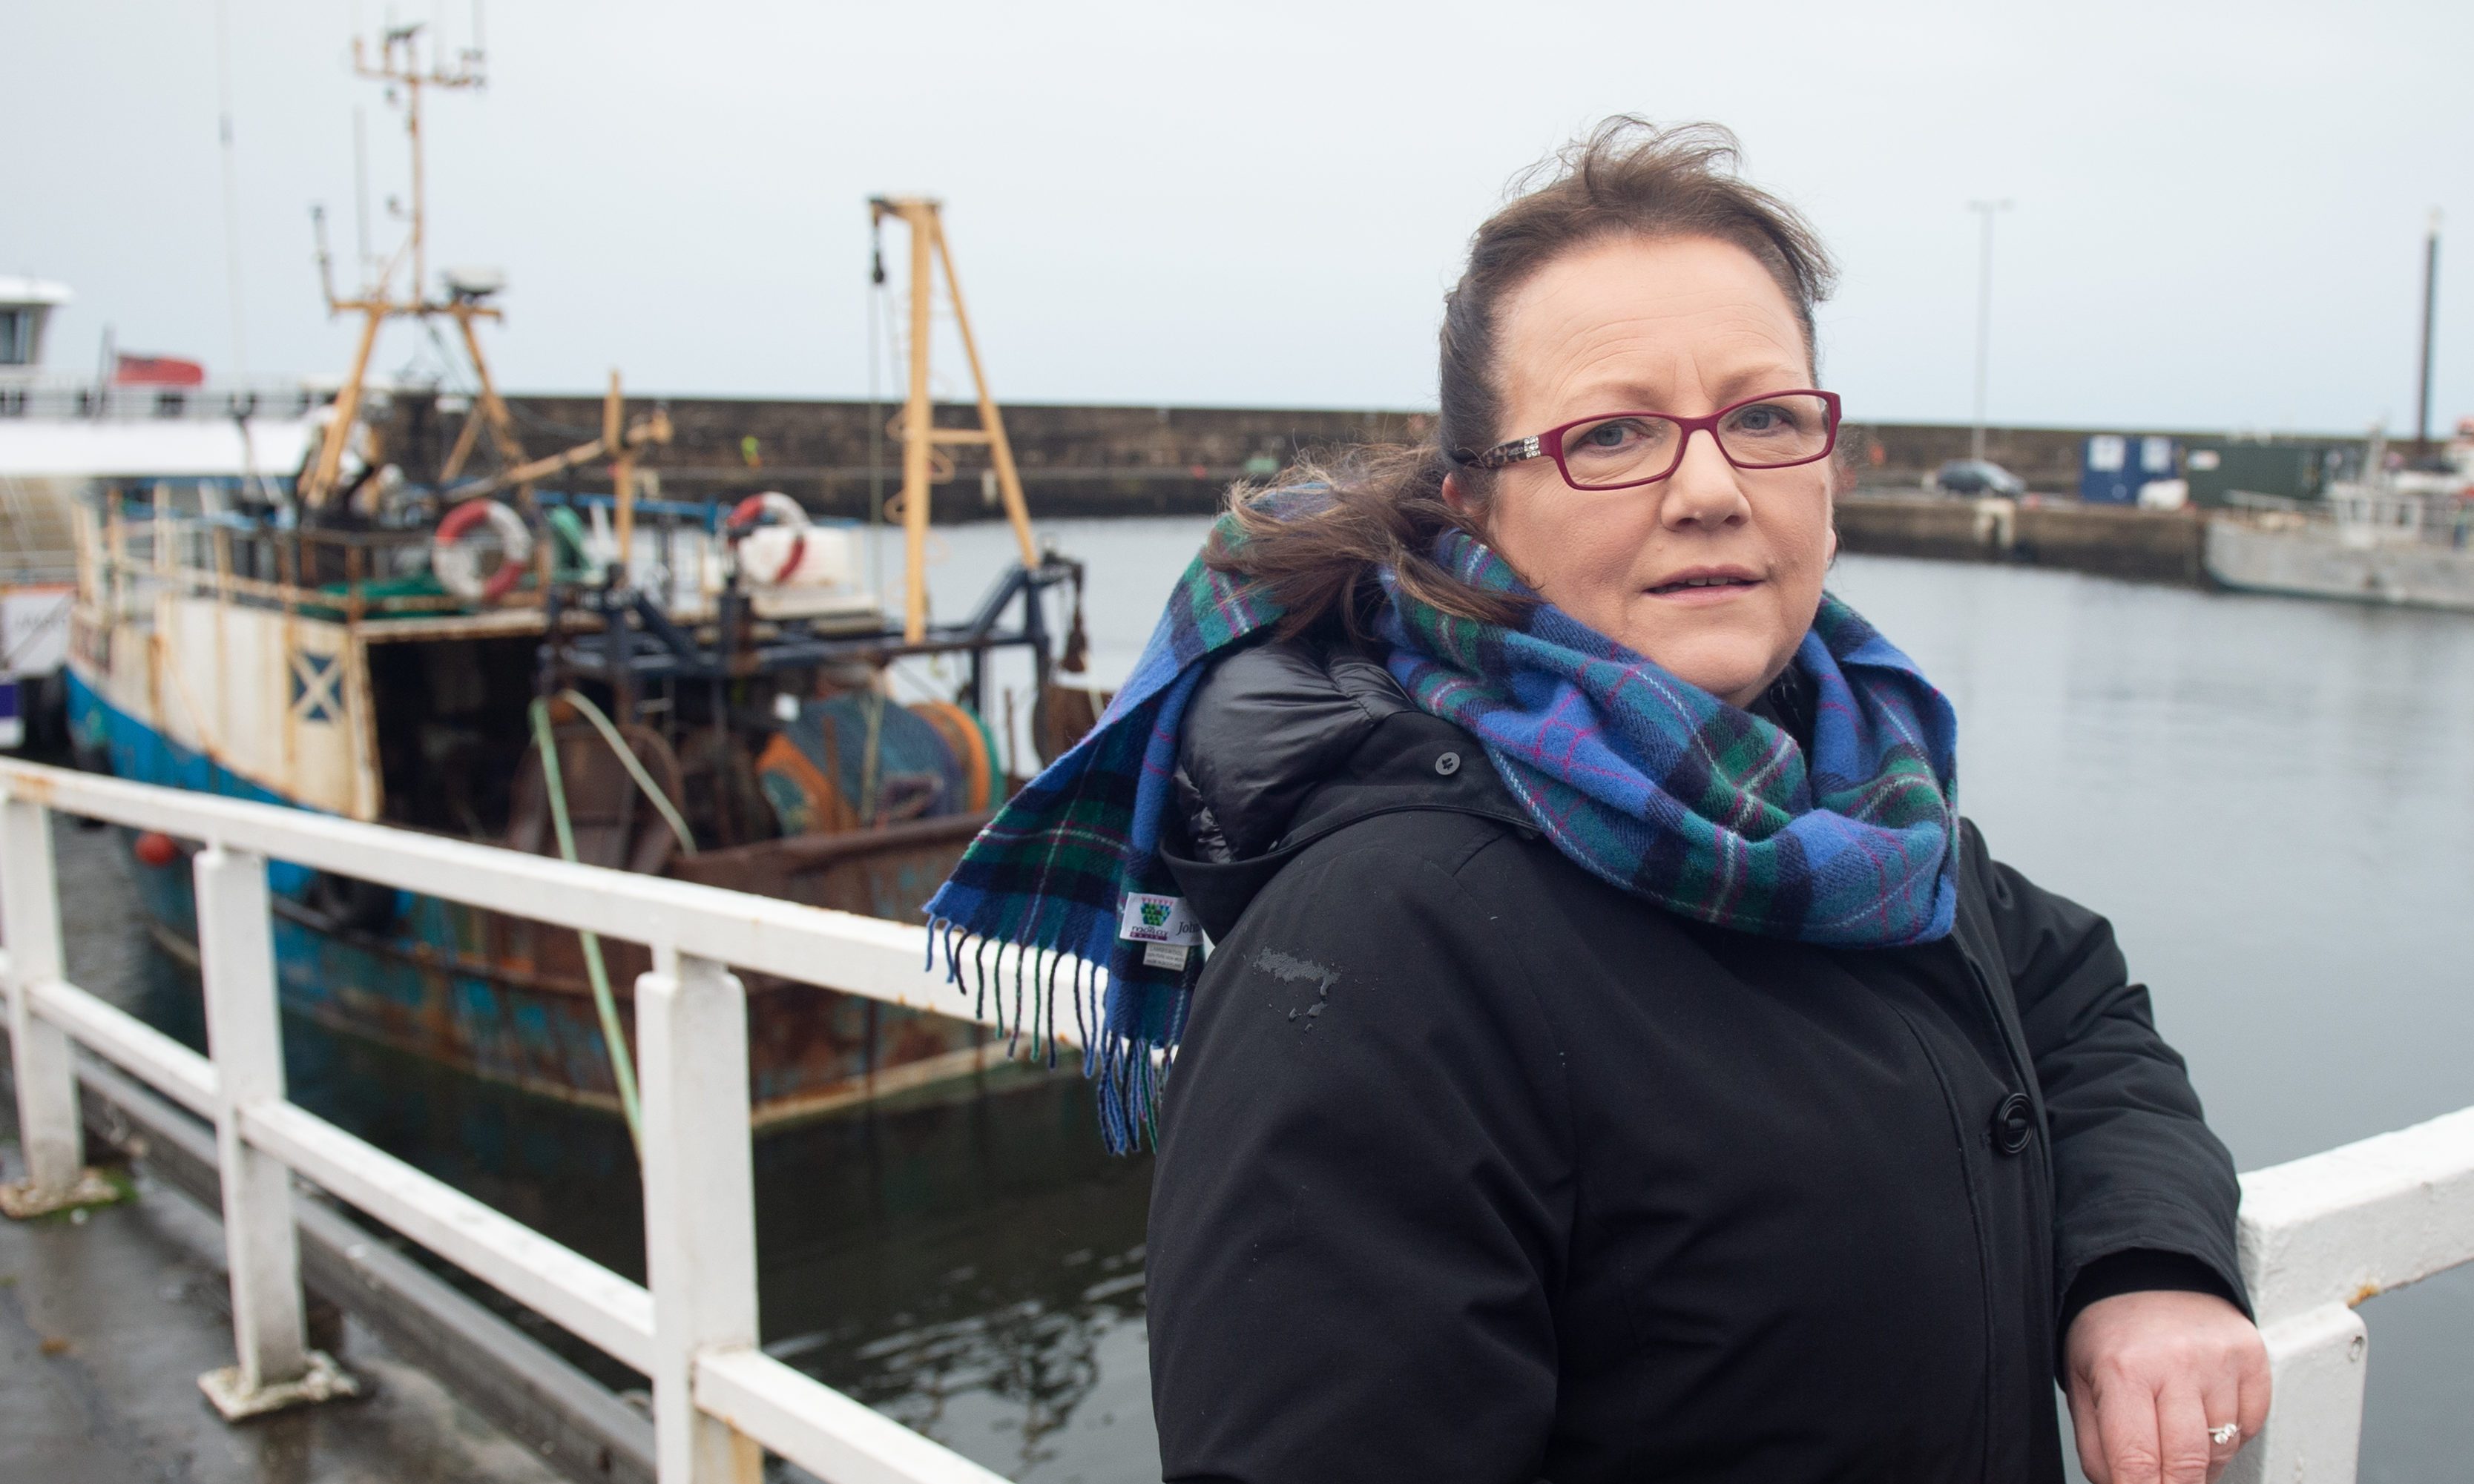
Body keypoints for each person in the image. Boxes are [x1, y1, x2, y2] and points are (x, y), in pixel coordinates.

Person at [926, 119, 2265, 1484]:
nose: (1708, 488)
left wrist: (2146, 1261)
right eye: (1611, 435)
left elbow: (2080, 1009)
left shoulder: (1851, 810)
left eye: (1764, 418)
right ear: (1475, 506)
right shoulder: (1388, 945)